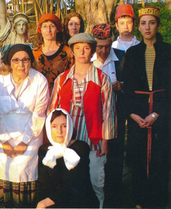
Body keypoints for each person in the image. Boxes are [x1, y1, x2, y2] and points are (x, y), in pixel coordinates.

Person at [48, 33, 116, 208]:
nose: (82, 52)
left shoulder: (102, 79)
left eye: (86, 48)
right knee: (70, 179)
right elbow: (53, 111)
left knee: (95, 179)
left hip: (93, 136)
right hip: (69, 137)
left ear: (92, 51)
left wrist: (105, 141)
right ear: (72, 52)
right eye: (78, 48)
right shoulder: (62, 79)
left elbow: (109, 111)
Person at [0, 44, 49, 207]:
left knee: (23, 167)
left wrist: (23, 142)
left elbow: (39, 115)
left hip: (31, 135)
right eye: (16, 60)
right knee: (1, 165)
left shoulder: (39, 80)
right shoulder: (0, 81)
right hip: (2, 134)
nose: (21, 65)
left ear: (31, 61)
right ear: (9, 62)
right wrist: (6, 141)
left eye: (26, 60)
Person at [123, 6, 171, 208]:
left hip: (161, 114)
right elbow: (127, 88)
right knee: (138, 160)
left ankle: (158, 203)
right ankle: (139, 203)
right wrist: (133, 114)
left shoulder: (168, 51)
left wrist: (157, 113)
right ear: (139, 27)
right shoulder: (132, 53)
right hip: (138, 116)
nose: (147, 27)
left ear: (158, 25)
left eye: (151, 22)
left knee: (161, 160)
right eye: (143, 23)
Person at [91, 23, 126, 207]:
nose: (104, 51)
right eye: (99, 47)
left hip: (116, 116)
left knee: (115, 157)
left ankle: (114, 198)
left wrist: (121, 86)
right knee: (96, 157)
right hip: (95, 118)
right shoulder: (88, 59)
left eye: (107, 46)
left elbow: (131, 81)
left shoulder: (120, 57)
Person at [36, 108, 99, 208]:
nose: (59, 131)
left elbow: (75, 184)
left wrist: (45, 203)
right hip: (53, 201)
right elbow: (43, 184)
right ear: (49, 128)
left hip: (79, 201)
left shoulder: (81, 147)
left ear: (70, 127)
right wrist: (41, 203)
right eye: (54, 126)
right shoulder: (44, 150)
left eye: (64, 126)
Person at [33, 13, 73, 91]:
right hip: (39, 98)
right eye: (45, 26)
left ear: (57, 29)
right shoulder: (34, 54)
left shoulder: (67, 52)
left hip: (61, 97)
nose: (48, 30)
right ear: (40, 29)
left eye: (52, 26)